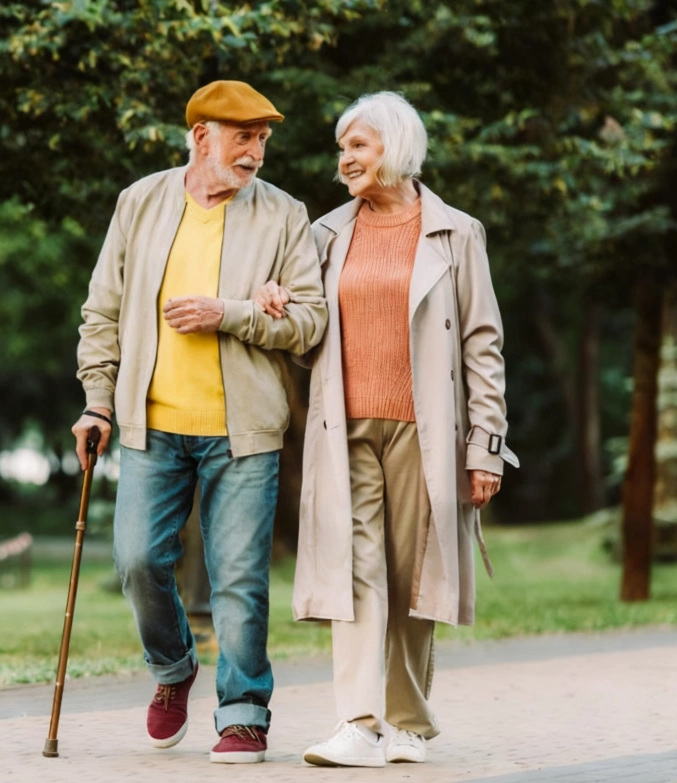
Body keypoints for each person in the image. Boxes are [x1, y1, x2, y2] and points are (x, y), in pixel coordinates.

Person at [254, 91, 519, 767]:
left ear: (395, 148)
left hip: (425, 431)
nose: (344, 159)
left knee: (413, 576)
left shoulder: (458, 234)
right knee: (356, 569)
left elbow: (482, 346)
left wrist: (485, 445)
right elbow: (305, 331)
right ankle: (358, 721)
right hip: (344, 426)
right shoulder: (324, 233)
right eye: (342, 147)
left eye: (358, 146)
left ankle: (408, 723)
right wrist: (276, 302)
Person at [72, 80, 328, 764]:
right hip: (151, 429)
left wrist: (233, 313)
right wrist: (98, 399)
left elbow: (309, 326)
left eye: (263, 139)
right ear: (200, 137)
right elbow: (101, 312)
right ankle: (173, 666)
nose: (256, 152)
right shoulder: (142, 202)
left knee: (239, 577)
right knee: (135, 561)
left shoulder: (284, 215)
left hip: (243, 433)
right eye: (243, 136)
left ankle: (243, 710)